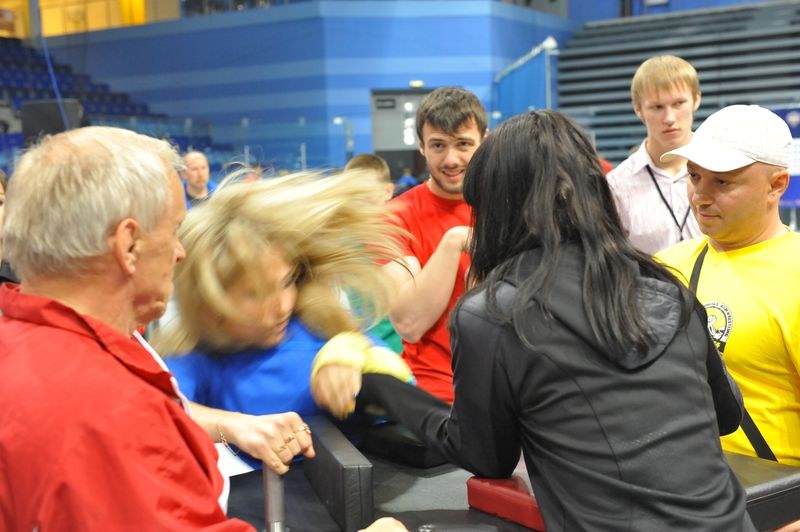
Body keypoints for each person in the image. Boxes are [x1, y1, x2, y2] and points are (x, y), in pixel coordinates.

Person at [324, 110, 755, 531]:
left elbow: (484, 455)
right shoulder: (668, 287)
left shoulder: (491, 314)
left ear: (495, 208)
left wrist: (379, 384)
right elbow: (726, 414)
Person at [0, 126, 265, 529]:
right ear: (128, 245)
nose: (180, 252)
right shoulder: (107, 408)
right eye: (174, 229)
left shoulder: (23, 341)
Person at [153, 171, 413, 470]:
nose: (282, 306)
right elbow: (159, 411)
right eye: (256, 294)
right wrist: (234, 427)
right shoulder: (199, 357)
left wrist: (348, 354)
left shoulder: (316, 329)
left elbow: (405, 389)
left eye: (287, 281)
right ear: (212, 303)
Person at [657, 104, 800, 468]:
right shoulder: (666, 266)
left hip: (771, 500)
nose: (700, 196)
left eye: (722, 181)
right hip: (686, 490)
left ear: (777, 185)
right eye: (694, 177)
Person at [384, 86, 486, 403]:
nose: (451, 159)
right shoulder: (394, 218)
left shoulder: (509, 205)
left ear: (485, 141)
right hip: (439, 394)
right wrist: (454, 240)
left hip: (512, 386)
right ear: (422, 148)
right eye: (438, 146)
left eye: (463, 145)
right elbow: (409, 323)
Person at [606, 55, 703, 254]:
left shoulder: (724, 169)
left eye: (678, 104)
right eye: (657, 107)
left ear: (696, 100)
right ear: (638, 110)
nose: (669, 118)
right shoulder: (617, 186)